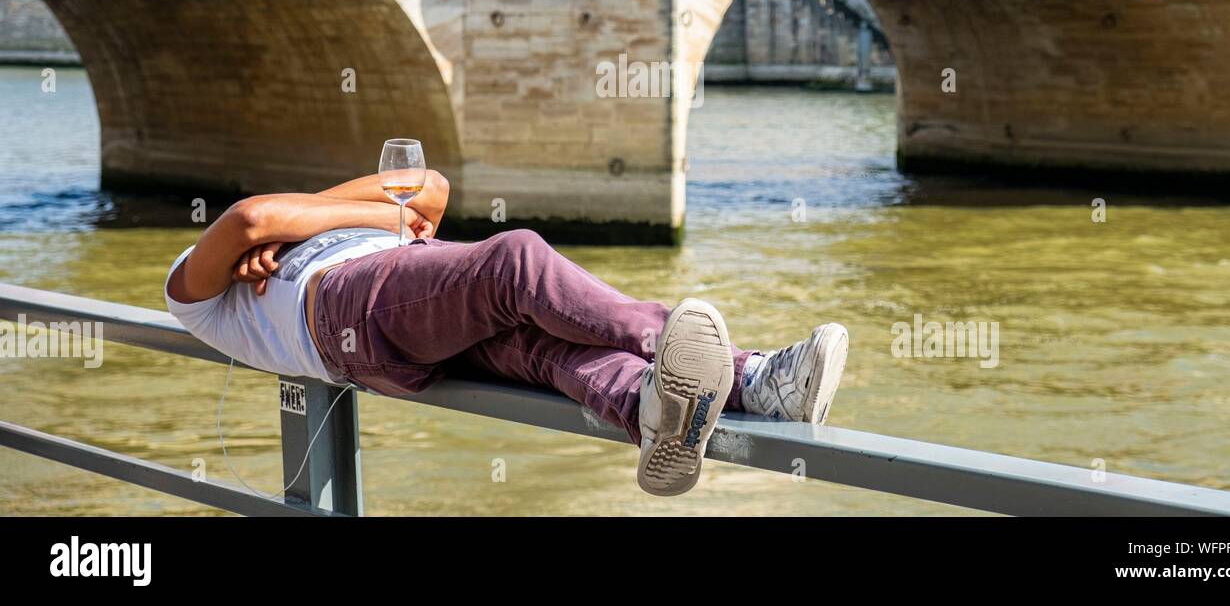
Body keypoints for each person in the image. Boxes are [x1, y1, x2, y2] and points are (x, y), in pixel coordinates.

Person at [163, 170, 849, 496]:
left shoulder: (297, 235)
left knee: (545, 350)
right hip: (347, 311)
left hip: (393, 321)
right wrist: (286, 227)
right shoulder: (190, 291)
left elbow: (429, 188)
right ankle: (750, 371)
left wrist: (303, 220)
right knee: (514, 263)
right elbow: (250, 221)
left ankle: (654, 407)